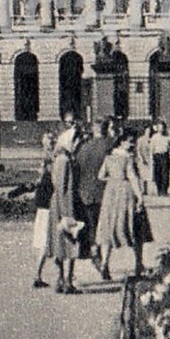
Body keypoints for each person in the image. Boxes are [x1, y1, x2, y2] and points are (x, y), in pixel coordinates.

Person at [96, 131, 153, 278]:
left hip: (110, 194)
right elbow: (133, 177)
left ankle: (104, 263)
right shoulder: (128, 158)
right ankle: (138, 264)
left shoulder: (109, 157)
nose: (132, 144)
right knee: (135, 228)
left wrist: (113, 180)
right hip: (126, 194)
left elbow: (100, 175)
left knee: (108, 228)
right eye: (130, 141)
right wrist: (140, 197)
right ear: (122, 142)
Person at [46, 122, 87, 294]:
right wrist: (68, 213)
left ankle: (60, 279)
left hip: (59, 204)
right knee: (69, 242)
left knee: (59, 243)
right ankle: (67, 281)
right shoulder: (65, 161)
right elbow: (64, 188)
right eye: (77, 141)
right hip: (66, 205)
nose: (78, 145)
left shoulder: (61, 158)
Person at [75, 118, 115, 279]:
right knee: (106, 230)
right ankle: (105, 262)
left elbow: (77, 169)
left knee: (92, 227)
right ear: (106, 128)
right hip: (105, 193)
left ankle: (94, 251)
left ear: (93, 129)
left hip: (85, 194)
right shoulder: (110, 144)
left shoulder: (83, 147)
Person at [29, 132, 56, 289]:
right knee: (47, 241)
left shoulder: (46, 159)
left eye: (53, 139)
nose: (52, 141)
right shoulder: (49, 159)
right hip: (48, 205)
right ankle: (38, 274)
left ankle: (39, 274)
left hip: (42, 205)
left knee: (43, 242)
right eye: (49, 139)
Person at [148, 121, 170, 197]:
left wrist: (169, 148)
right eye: (159, 128)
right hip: (157, 156)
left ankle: (164, 190)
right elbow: (151, 148)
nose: (161, 129)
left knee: (165, 173)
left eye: (162, 127)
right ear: (157, 129)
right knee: (157, 173)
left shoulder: (167, 137)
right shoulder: (154, 137)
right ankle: (159, 189)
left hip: (165, 155)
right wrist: (151, 158)